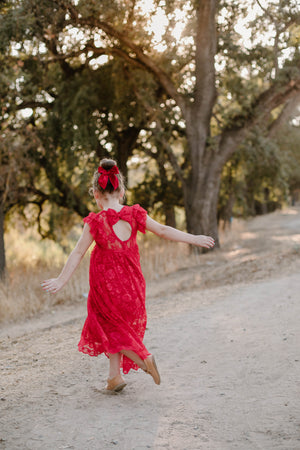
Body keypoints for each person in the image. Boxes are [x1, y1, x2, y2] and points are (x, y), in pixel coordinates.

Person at [41, 159, 215, 392]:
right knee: (118, 327)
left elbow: (78, 252)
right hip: (133, 286)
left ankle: (144, 360)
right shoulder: (134, 214)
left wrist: (61, 280)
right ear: (122, 191)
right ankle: (114, 378)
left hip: (106, 288)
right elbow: (163, 230)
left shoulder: (95, 222)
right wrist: (194, 238)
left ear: (95, 193)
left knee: (109, 326)